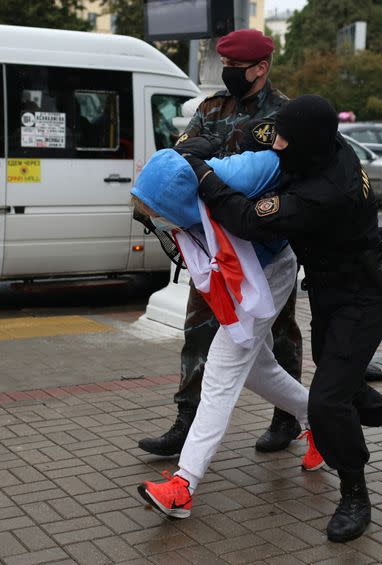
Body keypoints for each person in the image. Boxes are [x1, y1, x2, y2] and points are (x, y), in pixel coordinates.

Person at [187, 94, 382, 543]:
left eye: (286, 138)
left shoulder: (325, 192)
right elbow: (266, 139)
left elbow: (245, 218)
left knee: (326, 402)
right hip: (332, 291)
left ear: (307, 143)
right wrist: (214, 150)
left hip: (365, 295)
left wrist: (202, 174)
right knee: (343, 389)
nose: (277, 143)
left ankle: (355, 494)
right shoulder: (321, 143)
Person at [137, 28, 305, 457]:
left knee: (280, 333)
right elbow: (179, 158)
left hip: (264, 241)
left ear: (260, 68)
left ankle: (288, 420)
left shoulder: (286, 115)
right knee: (198, 326)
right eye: (224, 66)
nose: (227, 73)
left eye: (234, 68)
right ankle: (184, 421)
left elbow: (294, 176)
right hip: (213, 241)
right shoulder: (212, 108)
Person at [134, 144, 324, 520]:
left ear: (175, 198)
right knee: (255, 370)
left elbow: (287, 164)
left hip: (271, 273)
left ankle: (183, 486)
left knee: (220, 374)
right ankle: (320, 420)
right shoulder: (186, 196)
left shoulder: (238, 172)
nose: (156, 219)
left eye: (157, 210)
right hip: (249, 277)